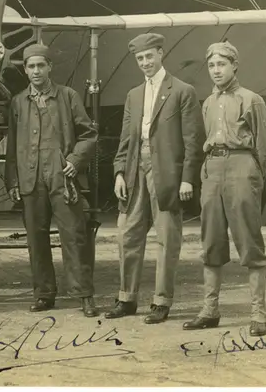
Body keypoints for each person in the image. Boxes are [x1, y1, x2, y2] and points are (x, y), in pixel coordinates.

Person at [107, 33, 205, 324]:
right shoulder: (133, 95)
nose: (145, 62)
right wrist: (120, 172)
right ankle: (127, 298)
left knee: (166, 239)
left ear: (161, 53)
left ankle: (161, 302)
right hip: (136, 169)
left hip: (167, 175)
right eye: (140, 58)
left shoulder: (182, 91)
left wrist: (188, 179)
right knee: (127, 235)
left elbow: (193, 140)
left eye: (150, 56)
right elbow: (126, 139)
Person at [183, 41, 266, 337]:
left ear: (235, 65)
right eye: (211, 65)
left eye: (221, 64)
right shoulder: (207, 103)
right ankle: (210, 310)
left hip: (241, 167)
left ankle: (258, 313)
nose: (216, 70)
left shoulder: (251, 100)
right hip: (212, 169)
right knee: (211, 240)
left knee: (249, 240)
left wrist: (252, 174)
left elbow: (265, 146)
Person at [4, 43, 99, 317]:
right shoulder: (18, 102)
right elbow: (12, 146)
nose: (36, 71)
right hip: (30, 179)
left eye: (40, 66)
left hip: (62, 178)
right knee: (36, 238)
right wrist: (12, 182)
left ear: (49, 67)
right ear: (25, 70)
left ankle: (84, 295)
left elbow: (89, 134)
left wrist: (74, 161)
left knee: (74, 235)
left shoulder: (68, 96)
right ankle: (44, 294)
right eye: (31, 66)